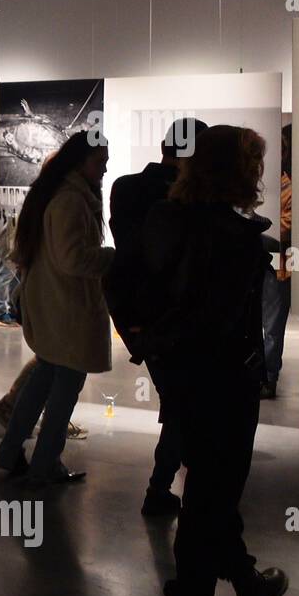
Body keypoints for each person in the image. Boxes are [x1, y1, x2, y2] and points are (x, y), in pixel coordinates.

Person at [134, 125, 288, 596]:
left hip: (179, 373)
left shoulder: (164, 216)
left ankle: (245, 582)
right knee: (211, 494)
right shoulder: (234, 237)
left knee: (210, 486)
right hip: (223, 381)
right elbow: (222, 321)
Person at [0, 131, 113, 485]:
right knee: (63, 395)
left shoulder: (55, 194)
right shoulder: (71, 201)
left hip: (53, 305)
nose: (104, 171)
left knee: (42, 384)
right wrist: (115, 258)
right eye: (100, 164)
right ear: (80, 162)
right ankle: (45, 463)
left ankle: (11, 452)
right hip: (68, 310)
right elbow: (72, 259)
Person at [107, 117, 207, 516]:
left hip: (137, 317)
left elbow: (127, 253)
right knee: (185, 404)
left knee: (179, 400)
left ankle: (164, 485)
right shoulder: (185, 199)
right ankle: (163, 488)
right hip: (173, 318)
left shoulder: (126, 188)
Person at [260, 125, 292, 399]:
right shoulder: (256, 187)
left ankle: (268, 377)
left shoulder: (288, 189)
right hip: (255, 263)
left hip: (279, 267)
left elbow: (285, 230)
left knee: (272, 326)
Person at [0, 214, 20, 327]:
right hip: (11, 241)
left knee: (15, 276)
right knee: (6, 274)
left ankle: (12, 311)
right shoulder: (14, 208)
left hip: (15, 241)